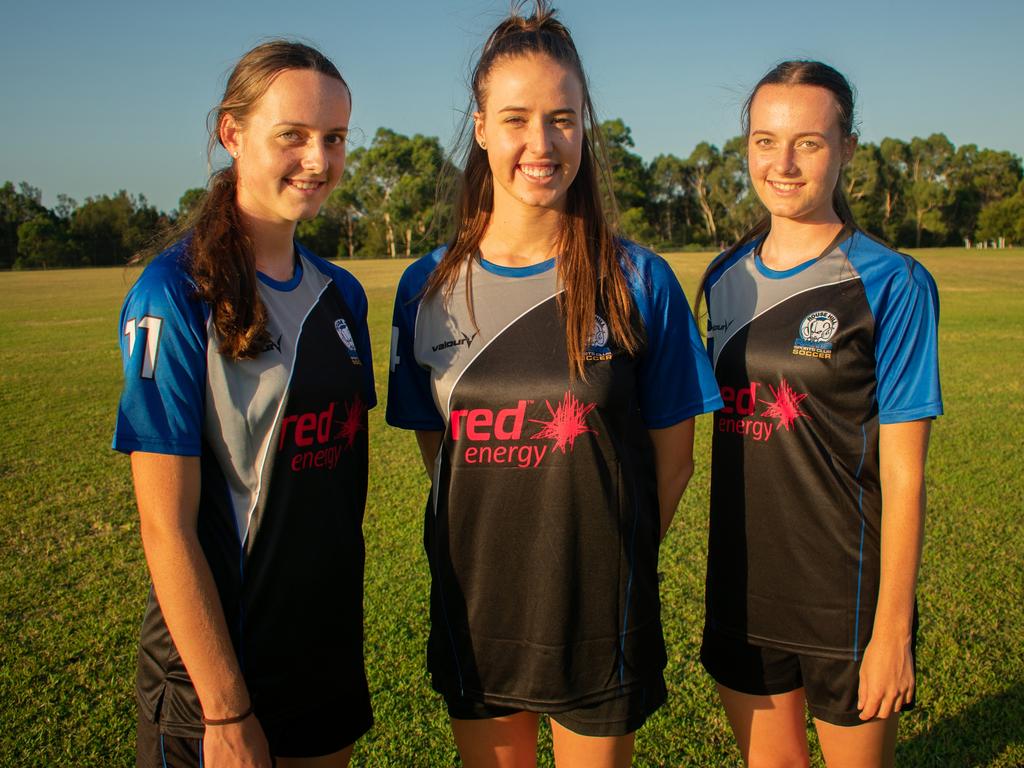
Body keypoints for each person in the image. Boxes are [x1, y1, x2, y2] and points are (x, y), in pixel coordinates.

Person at [386, 4, 722, 766]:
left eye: (562, 119)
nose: (541, 145)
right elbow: (440, 453)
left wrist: (603, 557)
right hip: (476, 608)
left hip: (599, 614)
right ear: (480, 128)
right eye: (516, 119)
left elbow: (674, 463)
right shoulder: (425, 286)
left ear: (584, 126)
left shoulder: (641, 279)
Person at [113, 41, 374, 768]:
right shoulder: (173, 295)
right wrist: (226, 710)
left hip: (321, 656)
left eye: (335, 138)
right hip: (215, 681)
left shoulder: (341, 295)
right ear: (232, 134)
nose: (318, 160)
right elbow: (166, 527)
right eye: (292, 135)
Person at [696, 61, 943, 767]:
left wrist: (892, 632)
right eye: (764, 141)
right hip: (742, 588)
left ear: (848, 149)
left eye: (809, 141)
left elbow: (905, 477)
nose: (784, 163)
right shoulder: (724, 277)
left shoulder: (891, 282)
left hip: (846, 595)